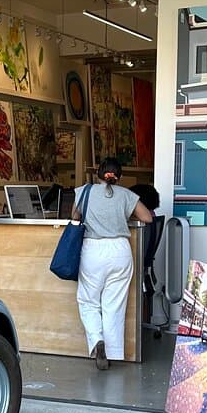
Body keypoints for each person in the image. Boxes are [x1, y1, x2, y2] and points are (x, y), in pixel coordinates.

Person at [73, 157, 154, 369]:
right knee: (114, 306)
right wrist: (121, 216)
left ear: (99, 173)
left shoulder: (85, 191)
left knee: (88, 301)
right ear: (119, 176)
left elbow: (74, 215)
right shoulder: (126, 195)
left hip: (93, 250)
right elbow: (147, 217)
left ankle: (97, 341)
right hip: (120, 251)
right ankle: (113, 353)